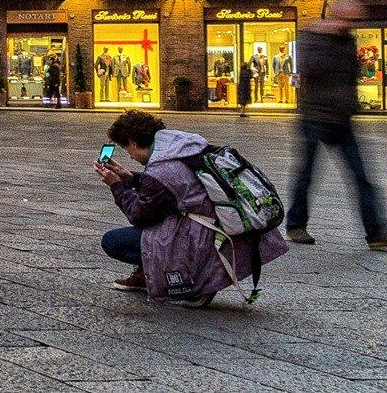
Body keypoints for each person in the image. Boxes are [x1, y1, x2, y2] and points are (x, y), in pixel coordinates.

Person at [96, 108, 288, 304]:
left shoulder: (160, 169)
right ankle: (152, 272)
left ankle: (192, 281)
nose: (129, 155)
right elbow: (175, 185)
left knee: (112, 241)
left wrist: (116, 186)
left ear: (134, 143)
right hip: (215, 223)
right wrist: (132, 178)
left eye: (126, 148)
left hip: (199, 235)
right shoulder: (181, 144)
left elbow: (139, 214)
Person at [287, 0, 386, 249]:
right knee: (306, 175)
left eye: (356, 21)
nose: (352, 25)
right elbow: (310, 69)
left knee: (361, 176)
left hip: (342, 120)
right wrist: (326, 36)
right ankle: (296, 225)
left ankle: (376, 234)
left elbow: (351, 74)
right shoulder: (312, 37)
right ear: (335, 16)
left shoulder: (347, 41)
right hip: (314, 118)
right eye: (348, 19)